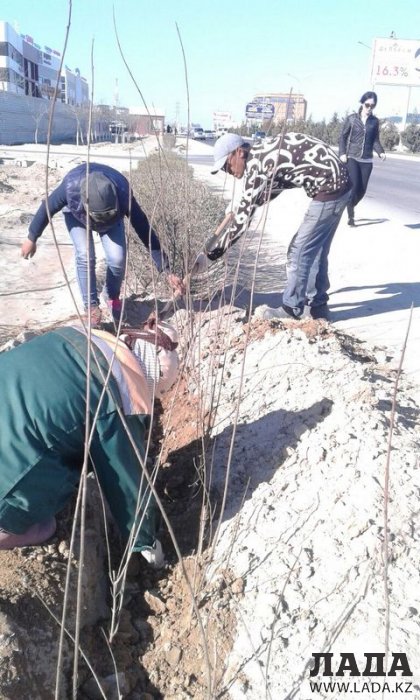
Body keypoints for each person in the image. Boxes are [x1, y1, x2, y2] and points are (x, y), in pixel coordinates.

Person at [0, 319, 179, 567]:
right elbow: (127, 483)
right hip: (8, 471)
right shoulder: (121, 397)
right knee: (44, 526)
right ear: (149, 379)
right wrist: (146, 543)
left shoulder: (76, 335)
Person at [199, 131, 351, 321]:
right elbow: (273, 188)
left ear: (239, 152)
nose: (227, 171)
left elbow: (242, 223)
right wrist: (244, 204)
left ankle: (291, 309)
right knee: (315, 249)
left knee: (298, 251)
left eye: (226, 165)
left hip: (331, 187)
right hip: (339, 183)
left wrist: (211, 255)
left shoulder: (257, 165)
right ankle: (318, 308)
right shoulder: (261, 152)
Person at [21, 163, 185, 326]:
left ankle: (111, 297)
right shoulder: (70, 187)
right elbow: (47, 208)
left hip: (112, 219)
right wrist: (31, 237)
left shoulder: (123, 194)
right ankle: (91, 306)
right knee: (85, 255)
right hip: (76, 213)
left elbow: (143, 228)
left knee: (118, 258)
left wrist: (166, 270)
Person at [339, 91, 386, 226]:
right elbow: (343, 137)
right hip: (352, 157)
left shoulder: (374, 121)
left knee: (362, 191)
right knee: (355, 187)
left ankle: (349, 204)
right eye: (367, 105)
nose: (369, 108)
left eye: (372, 106)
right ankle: (351, 216)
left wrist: (381, 152)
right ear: (362, 103)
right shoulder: (352, 119)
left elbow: (375, 140)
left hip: (367, 160)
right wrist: (342, 153)